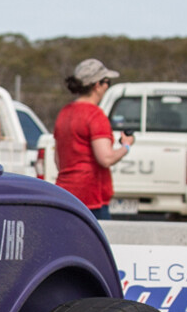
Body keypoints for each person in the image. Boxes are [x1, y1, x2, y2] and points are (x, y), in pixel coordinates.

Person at [53, 58, 135, 219]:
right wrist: (126, 146)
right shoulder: (95, 115)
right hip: (91, 200)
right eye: (107, 82)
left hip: (65, 195)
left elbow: (58, 161)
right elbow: (105, 158)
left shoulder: (64, 113)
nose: (107, 87)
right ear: (97, 85)